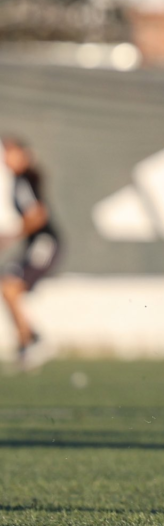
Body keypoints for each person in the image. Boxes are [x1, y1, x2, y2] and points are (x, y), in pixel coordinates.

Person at [0, 136, 62, 371]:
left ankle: (32, 342)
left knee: (9, 286)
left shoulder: (25, 180)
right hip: (37, 243)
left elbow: (37, 215)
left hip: (45, 243)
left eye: (9, 152)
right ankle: (30, 339)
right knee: (8, 288)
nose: (5, 157)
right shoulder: (19, 180)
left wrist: (11, 236)